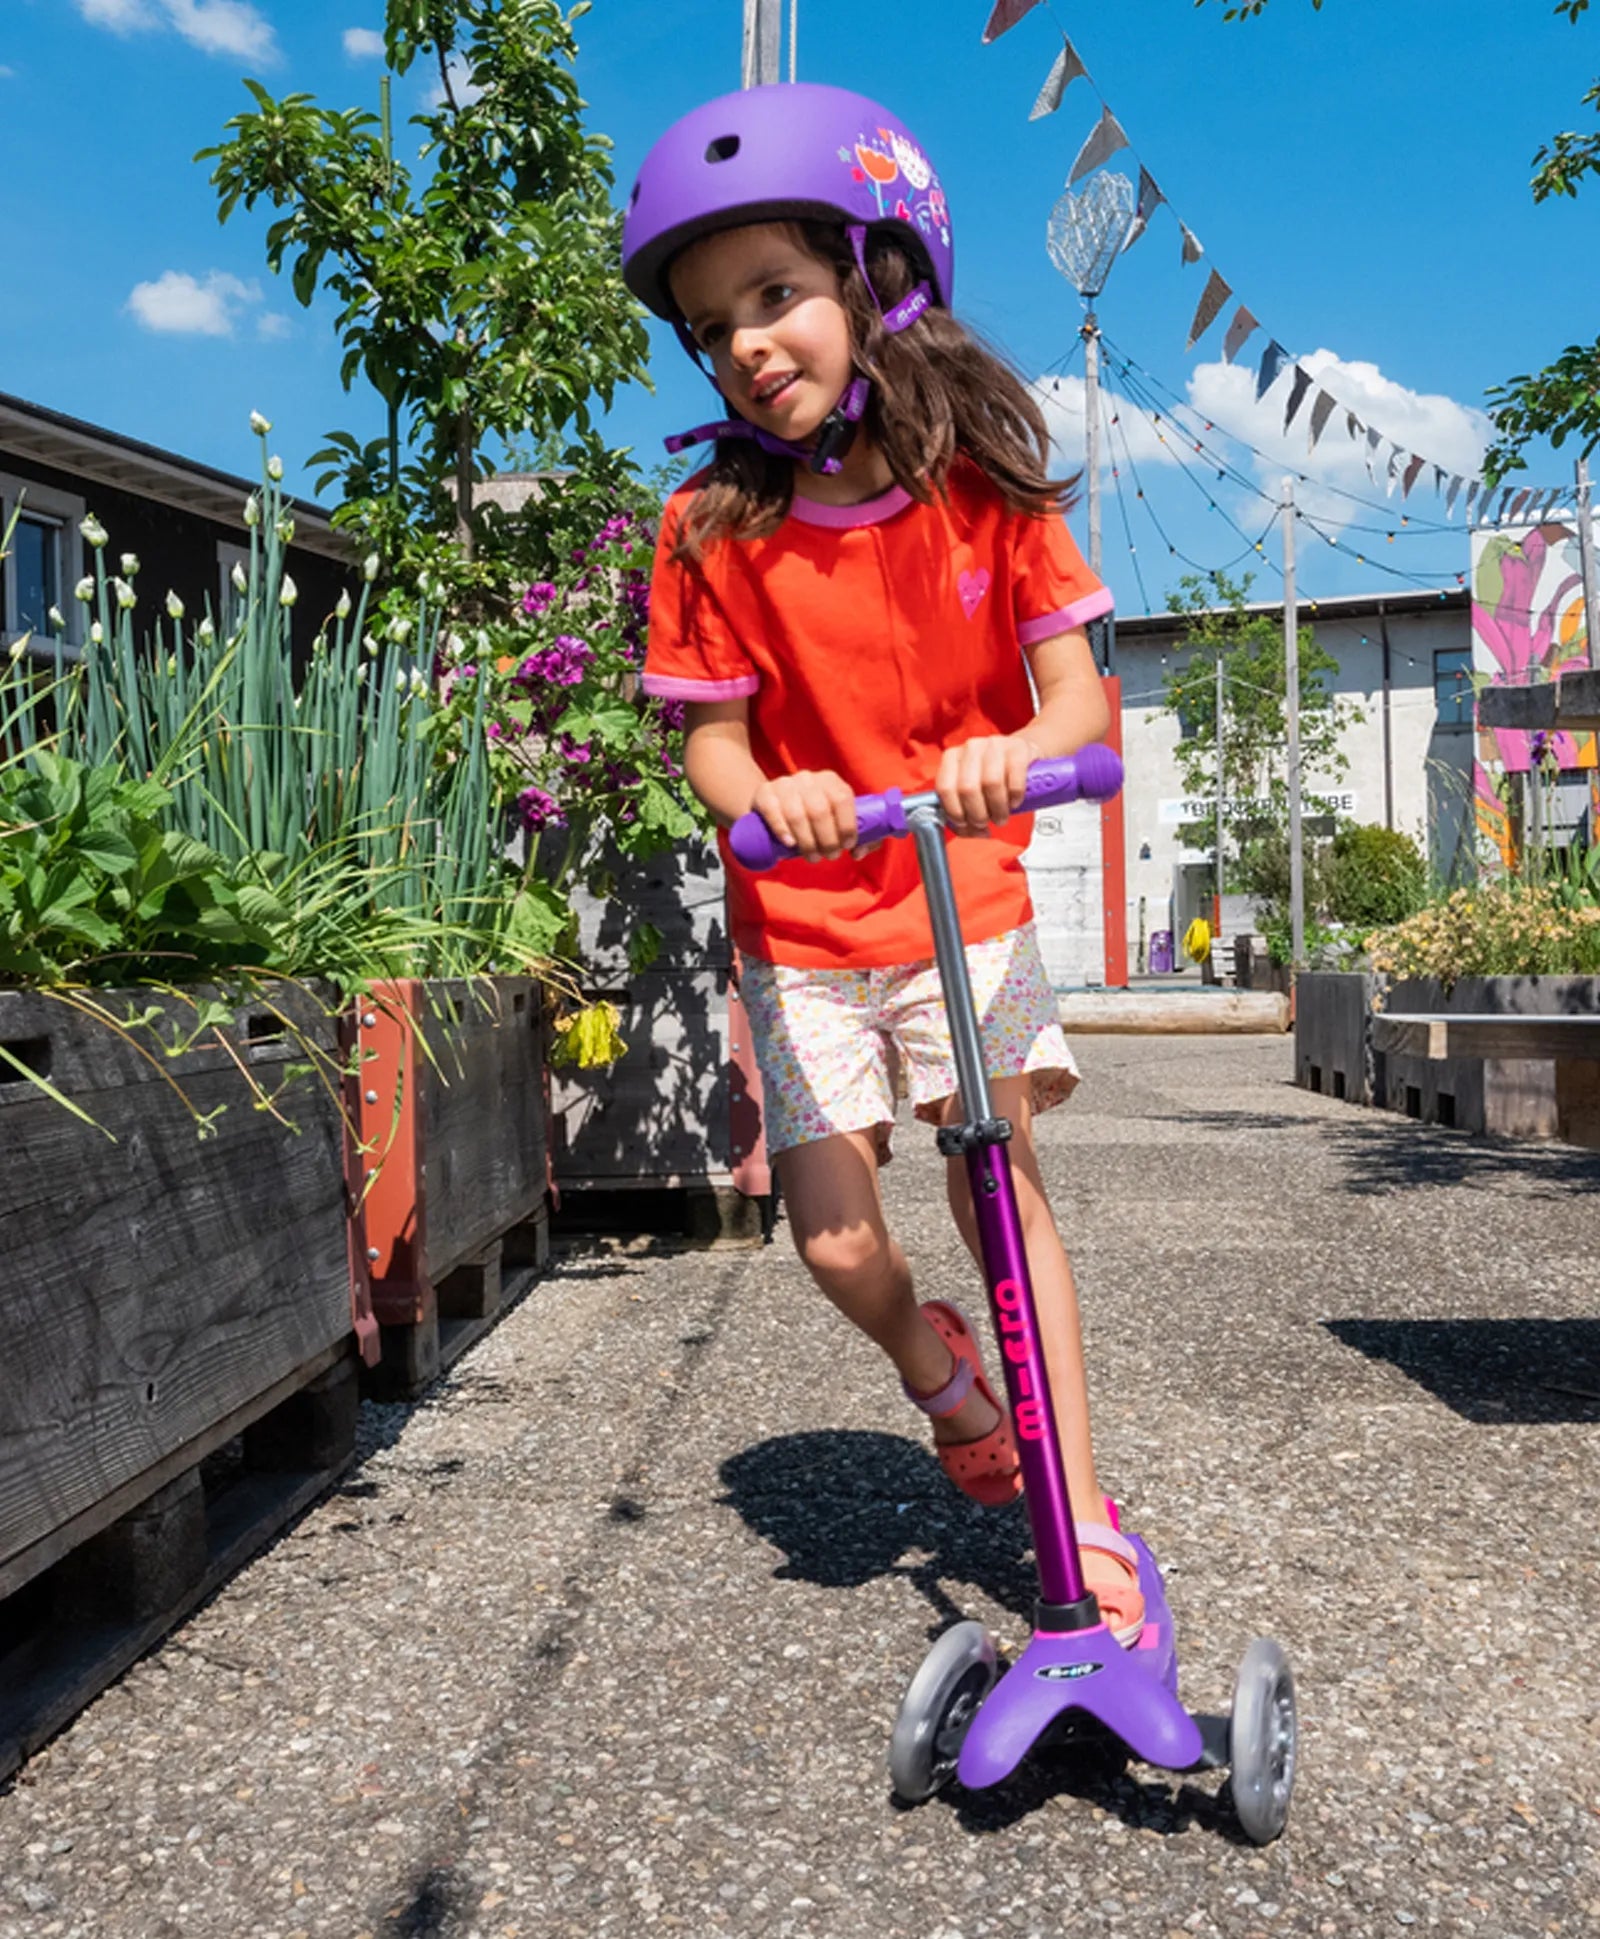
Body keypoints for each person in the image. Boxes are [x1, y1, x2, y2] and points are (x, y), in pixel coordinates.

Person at [624, 83, 1143, 1642]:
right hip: (804, 925)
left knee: (1002, 1203)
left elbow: (1077, 695)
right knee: (834, 1235)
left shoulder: (979, 489)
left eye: (776, 295)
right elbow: (709, 742)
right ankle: (939, 1372)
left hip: (956, 901)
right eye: (715, 325)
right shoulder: (710, 525)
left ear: (879, 282)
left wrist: (1018, 753)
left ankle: (1084, 1516)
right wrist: (763, 787)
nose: (748, 344)